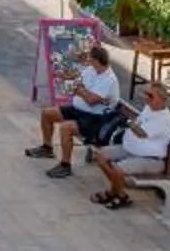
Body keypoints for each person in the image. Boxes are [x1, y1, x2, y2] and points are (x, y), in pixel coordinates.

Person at [28, 42, 123, 179]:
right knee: (47, 113)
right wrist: (80, 89)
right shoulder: (92, 69)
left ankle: (65, 165)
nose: (89, 62)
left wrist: (80, 90)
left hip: (95, 119)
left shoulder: (109, 80)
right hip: (78, 109)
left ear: (98, 61)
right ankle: (47, 148)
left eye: (91, 60)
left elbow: (91, 101)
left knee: (66, 128)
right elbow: (78, 83)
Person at [90, 81, 170, 208]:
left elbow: (141, 133)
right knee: (100, 155)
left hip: (150, 159)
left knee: (117, 169)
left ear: (161, 99)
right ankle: (119, 193)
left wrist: (127, 120)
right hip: (130, 150)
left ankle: (112, 193)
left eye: (150, 95)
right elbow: (137, 124)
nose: (146, 98)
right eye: (146, 94)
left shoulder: (164, 119)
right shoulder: (149, 108)